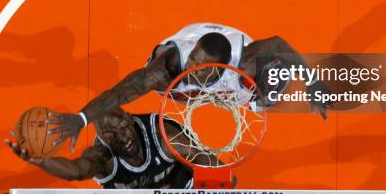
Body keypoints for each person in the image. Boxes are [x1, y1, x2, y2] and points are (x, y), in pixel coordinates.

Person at [49, 23, 332, 152]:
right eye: (194, 59)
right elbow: (119, 93)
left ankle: (251, 90)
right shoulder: (168, 69)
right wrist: (81, 118)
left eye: (203, 65)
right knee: (158, 85)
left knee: (267, 85)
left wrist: (312, 81)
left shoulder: (244, 60)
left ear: (221, 68)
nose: (193, 67)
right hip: (178, 86)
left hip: (233, 67)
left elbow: (280, 44)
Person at [5, 107, 205, 189]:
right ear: (102, 139)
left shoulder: (165, 137)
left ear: (130, 118)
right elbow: (75, 170)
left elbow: (217, 170)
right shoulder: (103, 157)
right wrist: (40, 160)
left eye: (123, 128)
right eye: (111, 136)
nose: (122, 138)